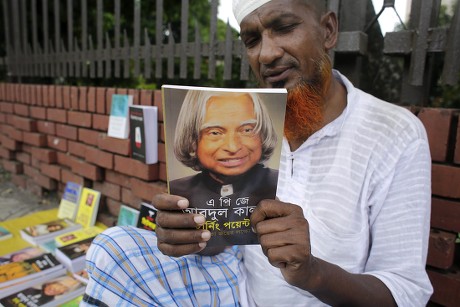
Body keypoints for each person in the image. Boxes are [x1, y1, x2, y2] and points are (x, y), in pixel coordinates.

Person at [83, 0, 432, 306]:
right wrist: (197, 235)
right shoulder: (251, 124)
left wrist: (311, 273)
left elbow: (405, 292)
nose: (266, 53)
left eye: (283, 28)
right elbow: (233, 240)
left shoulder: (394, 134)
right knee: (113, 250)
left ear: (328, 30)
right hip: (237, 289)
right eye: (252, 40)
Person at [169, 90, 279, 246]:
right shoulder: (178, 193)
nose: (233, 147)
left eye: (247, 130)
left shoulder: (281, 186)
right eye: (215, 132)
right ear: (193, 140)